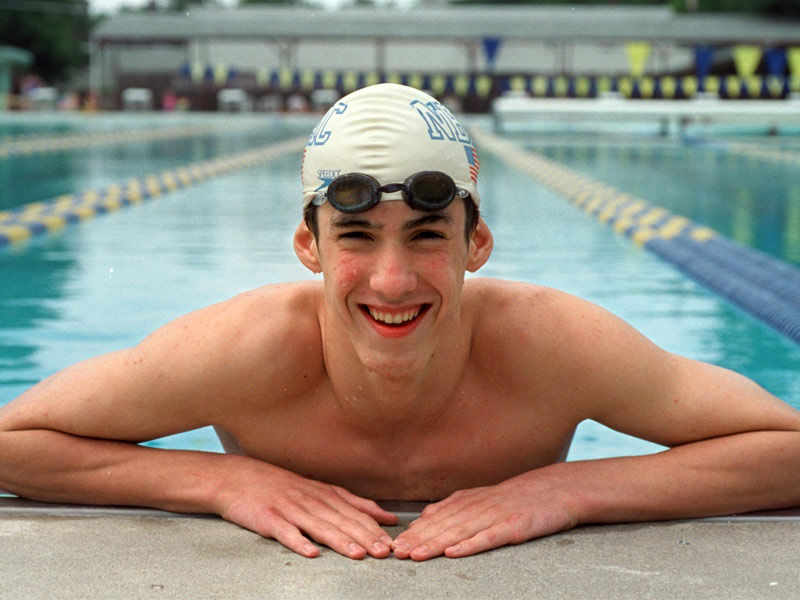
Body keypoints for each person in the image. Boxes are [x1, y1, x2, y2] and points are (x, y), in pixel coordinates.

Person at [1, 83, 799, 562]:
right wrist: (217, 479)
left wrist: (572, 489)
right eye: (355, 236)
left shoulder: (549, 345)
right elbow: (14, 442)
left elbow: (787, 451)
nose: (391, 281)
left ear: (475, 244)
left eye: (426, 236)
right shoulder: (244, 352)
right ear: (308, 246)